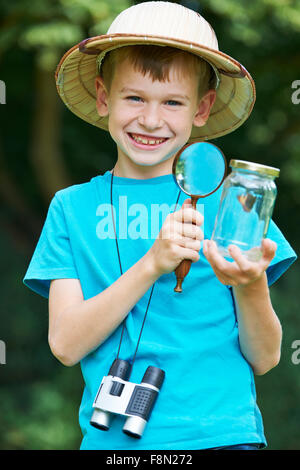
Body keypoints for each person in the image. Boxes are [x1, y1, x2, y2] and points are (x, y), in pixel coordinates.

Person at [23, 1, 297, 450]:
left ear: (202, 108)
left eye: (173, 102)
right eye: (134, 97)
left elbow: (266, 358)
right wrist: (152, 264)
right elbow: (66, 345)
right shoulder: (70, 208)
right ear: (103, 96)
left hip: (223, 437)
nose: (151, 120)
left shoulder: (237, 201)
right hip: (113, 445)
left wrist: (250, 284)